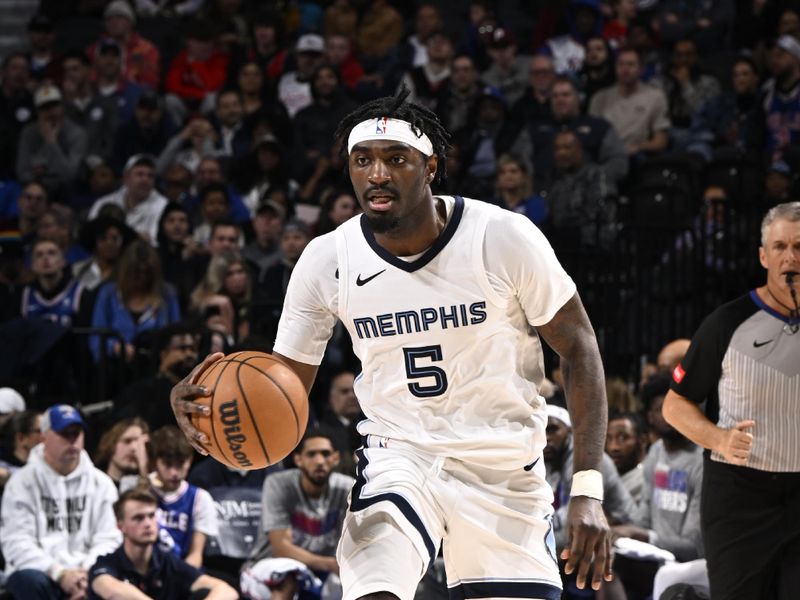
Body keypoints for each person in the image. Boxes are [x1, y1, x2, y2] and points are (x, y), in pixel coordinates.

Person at [172, 89, 614, 598]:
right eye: (362, 161)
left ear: (430, 169)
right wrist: (205, 407)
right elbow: (283, 389)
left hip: (503, 467)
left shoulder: (501, 236)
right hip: (400, 459)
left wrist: (586, 490)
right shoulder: (328, 259)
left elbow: (579, 348)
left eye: (395, 159)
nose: (377, 174)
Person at [663, 201, 800, 600]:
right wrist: (719, 439)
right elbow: (675, 405)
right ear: (763, 255)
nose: (790, 256)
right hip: (740, 498)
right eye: (780, 246)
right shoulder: (727, 323)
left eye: (799, 245)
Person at [1, 404, 121, 600]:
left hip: (88, 572)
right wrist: (59, 573)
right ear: (44, 436)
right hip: (42, 572)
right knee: (28, 580)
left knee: (110, 577)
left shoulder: (101, 483)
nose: (73, 440)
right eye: (64, 434)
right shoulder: (21, 482)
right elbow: (17, 542)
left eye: (77, 433)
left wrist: (86, 573)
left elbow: (109, 537)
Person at [243, 430, 353, 596]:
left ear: (335, 458)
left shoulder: (347, 489)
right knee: (288, 576)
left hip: (321, 572)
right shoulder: (279, 484)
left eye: (326, 454)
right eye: (311, 454)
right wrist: (330, 564)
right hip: (267, 567)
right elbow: (281, 549)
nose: (320, 461)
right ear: (298, 460)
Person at [88, 488, 238, 600]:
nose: (148, 524)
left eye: (151, 516)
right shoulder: (106, 563)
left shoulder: (166, 561)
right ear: (120, 526)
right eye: (138, 518)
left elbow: (226, 591)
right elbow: (110, 591)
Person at [147, 425, 219, 569]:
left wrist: (177, 582)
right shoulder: (139, 488)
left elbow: (195, 555)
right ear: (155, 461)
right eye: (167, 464)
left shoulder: (200, 498)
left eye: (180, 464)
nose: (174, 472)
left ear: (190, 460)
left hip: (182, 572)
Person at [21, 238, 85, 327]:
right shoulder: (24, 294)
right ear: (32, 265)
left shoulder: (80, 292)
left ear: (63, 261)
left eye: (52, 253)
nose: (45, 258)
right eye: (39, 255)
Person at [93, 418, 149, 490]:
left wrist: (144, 469)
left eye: (139, 444)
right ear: (111, 443)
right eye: (127, 441)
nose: (134, 448)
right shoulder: (95, 484)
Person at [606, 411, 648, 503]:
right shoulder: (606, 475)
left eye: (623, 438)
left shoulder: (648, 478)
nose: (613, 447)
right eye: (609, 438)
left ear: (643, 441)